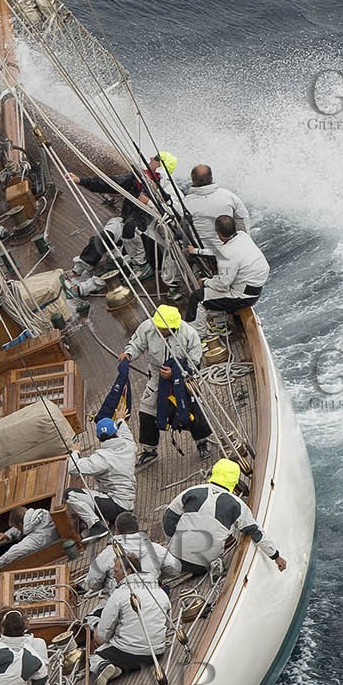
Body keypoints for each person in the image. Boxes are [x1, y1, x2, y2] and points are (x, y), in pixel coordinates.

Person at [163, 458, 288, 577]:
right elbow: (257, 533)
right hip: (201, 565)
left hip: (174, 555)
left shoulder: (192, 491)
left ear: (214, 473)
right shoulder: (238, 505)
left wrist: (173, 539)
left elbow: (168, 519)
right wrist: (276, 556)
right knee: (231, 539)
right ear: (235, 481)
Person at [121, 304, 212, 465]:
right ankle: (149, 450)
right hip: (157, 377)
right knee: (146, 411)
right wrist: (128, 354)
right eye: (159, 327)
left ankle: (202, 442)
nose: (160, 331)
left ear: (174, 327)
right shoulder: (149, 327)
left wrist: (174, 373)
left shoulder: (189, 335)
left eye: (164, 329)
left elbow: (195, 363)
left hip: (183, 378)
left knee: (192, 409)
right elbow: (136, 343)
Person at [85, 553, 172, 685]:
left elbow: (102, 636)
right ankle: (117, 669)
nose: (114, 575)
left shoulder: (120, 594)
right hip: (157, 651)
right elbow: (168, 624)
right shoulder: (159, 591)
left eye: (116, 571)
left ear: (128, 571)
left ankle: (103, 666)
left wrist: (95, 629)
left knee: (94, 659)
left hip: (130, 652)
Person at [187, 215, 270, 329]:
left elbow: (222, 285)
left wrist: (205, 282)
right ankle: (220, 324)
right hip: (255, 289)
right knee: (215, 284)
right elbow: (222, 251)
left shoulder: (227, 254)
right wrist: (197, 251)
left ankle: (198, 334)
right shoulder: (242, 236)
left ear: (219, 233)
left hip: (243, 297)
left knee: (198, 298)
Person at [63, 418, 137, 541]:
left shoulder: (102, 458)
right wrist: (120, 419)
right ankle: (104, 519)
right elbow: (125, 431)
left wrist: (75, 451)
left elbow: (73, 469)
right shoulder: (129, 444)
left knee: (70, 494)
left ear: (98, 438)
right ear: (116, 432)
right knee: (94, 492)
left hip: (116, 505)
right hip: (127, 502)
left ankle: (96, 526)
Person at [83, 511, 180, 591]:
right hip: (152, 595)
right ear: (137, 528)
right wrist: (158, 575)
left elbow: (92, 582)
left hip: (120, 601)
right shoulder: (155, 549)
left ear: (117, 530)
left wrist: (107, 585)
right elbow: (175, 569)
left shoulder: (107, 554)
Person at [180, 164, 249, 250]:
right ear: (211, 178)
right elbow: (243, 219)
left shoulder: (185, 203)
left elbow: (183, 230)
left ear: (193, 180)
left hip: (201, 254)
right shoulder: (229, 196)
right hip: (231, 250)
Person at [0, 505, 57, 569]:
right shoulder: (42, 514)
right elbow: (24, 527)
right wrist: (7, 535)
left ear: (20, 524)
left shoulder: (36, 538)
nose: (18, 529)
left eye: (17, 527)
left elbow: (15, 551)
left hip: (53, 554)